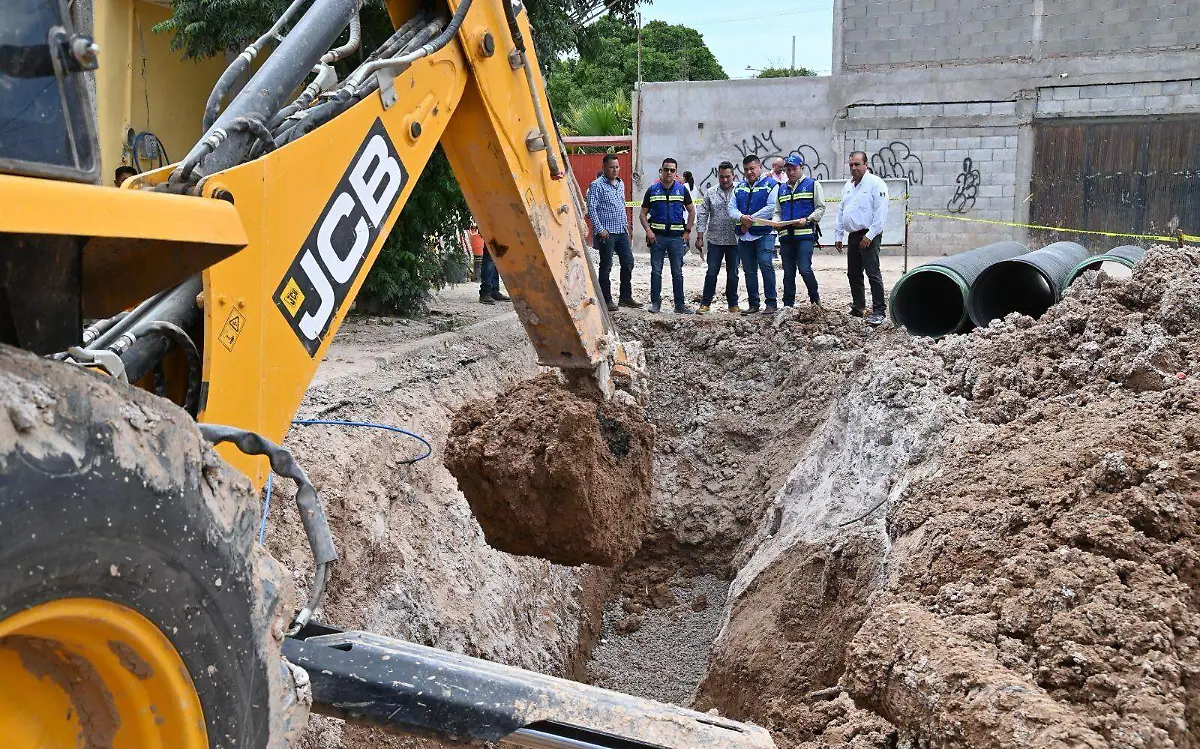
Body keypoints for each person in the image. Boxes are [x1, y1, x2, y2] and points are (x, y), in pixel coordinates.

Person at [834, 151, 889, 324]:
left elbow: (881, 213)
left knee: (872, 273)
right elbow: (841, 210)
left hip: (869, 234)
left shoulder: (875, 184)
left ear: (866, 165)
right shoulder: (848, 186)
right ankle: (858, 307)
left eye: (857, 164)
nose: (853, 168)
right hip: (853, 235)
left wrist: (870, 235)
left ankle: (879, 310)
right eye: (851, 164)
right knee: (853, 273)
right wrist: (838, 234)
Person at [639, 157, 695, 314]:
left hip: (676, 239)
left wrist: (687, 231)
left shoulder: (682, 190)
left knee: (677, 272)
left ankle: (680, 305)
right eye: (666, 169)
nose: (669, 172)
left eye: (672, 170)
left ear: (676, 173)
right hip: (657, 238)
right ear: (661, 171)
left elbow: (692, 211)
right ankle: (655, 304)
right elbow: (642, 214)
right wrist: (648, 231)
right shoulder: (652, 190)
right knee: (656, 272)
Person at [586, 153, 641, 311]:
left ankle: (625, 297)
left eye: (617, 167)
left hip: (621, 231)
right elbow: (591, 209)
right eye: (611, 167)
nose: (615, 170)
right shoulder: (596, 185)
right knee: (606, 266)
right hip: (607, 233)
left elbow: (621, 205)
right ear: (604, 167)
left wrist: (626, 226)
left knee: (628, 262)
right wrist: (599, 229)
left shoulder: (620, 183)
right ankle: (606, 299)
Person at [727, 154, 779, 314]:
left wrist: (750, 219)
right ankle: (754, 304)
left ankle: (771, 303)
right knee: (749, 270)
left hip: (764, 233)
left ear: (760, 167)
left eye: (752, 168)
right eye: (746, 169)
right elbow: (731, 208)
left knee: (766, 265)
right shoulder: (739, 187)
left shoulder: (771, 184)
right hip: (745, 235)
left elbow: (771, 207)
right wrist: (741, 217)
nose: (749, 172)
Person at [773, 154, 826, 307]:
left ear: (801, 168)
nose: (791, 172)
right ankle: (788, 305)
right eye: (788, 170)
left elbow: (820, 208)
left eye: (794, 169)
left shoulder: (812, 185)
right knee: (788, 273)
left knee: (804, 269)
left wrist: (808, 219)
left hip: (804, 236)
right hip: (786, 237)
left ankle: (815, 300)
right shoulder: (782, 189)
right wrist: (776, 222)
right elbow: (777, 211)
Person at [695, 161, 741, 314]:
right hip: (715, 240)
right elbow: (703, 214)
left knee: (733, 274)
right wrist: (700, 236)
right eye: (722, 177)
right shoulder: (710, 192)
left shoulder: (740, 190)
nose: (725, 180)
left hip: (735, 240)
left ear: (733, 175)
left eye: (728, 176)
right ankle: (705, 303)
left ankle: (733, 304)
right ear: (718, 176)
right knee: (711, 272)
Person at [477, 228, 510, 305]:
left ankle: (493, 291)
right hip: (490, 228)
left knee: (494, 258)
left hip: (495, 228)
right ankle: (486, 291)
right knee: (490, 258)